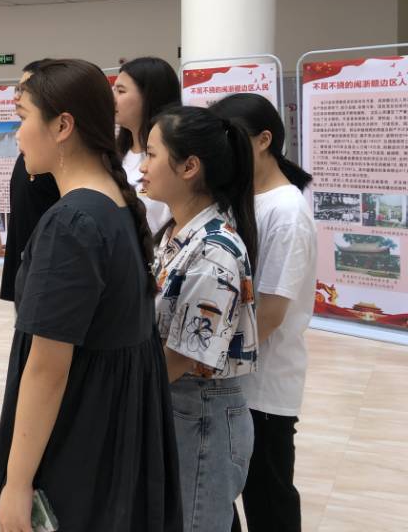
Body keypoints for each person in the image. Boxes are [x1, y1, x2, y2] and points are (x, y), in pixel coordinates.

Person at [0, 59, 182, 532]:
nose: (16, 134)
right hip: (110, 434)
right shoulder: (114, 203)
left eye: (23, 118)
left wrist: (17, 483)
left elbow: (48, 368)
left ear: (62, 126)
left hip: (77, 438)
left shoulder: (72, 223)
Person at [140, 106, 259, 532]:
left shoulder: (214, 251)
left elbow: (182, 355)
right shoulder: (176, 233)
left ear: (189, 167)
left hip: (198, 411)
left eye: (151, 154)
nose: (142, 166)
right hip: (176, 405)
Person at [210, 94, 316, 532]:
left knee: (269, 501)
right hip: (236, 383)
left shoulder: (287, 211)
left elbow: (270, 314)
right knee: (219, 493)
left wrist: (206, 357)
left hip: (264, 390)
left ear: (264, 140)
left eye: (231, 139)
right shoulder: (244, 199)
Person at [0, 59, 60, 304]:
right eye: (18, 89)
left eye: (25, 89)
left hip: (44, 277)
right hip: (26, 270)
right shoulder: (30, 156)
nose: (17, 96)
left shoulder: (53, 161)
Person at [114, 56, 181, 238]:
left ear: (149, 95)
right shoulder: (117, 154)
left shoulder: (172, 156)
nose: (113, 99)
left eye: (121, 91)